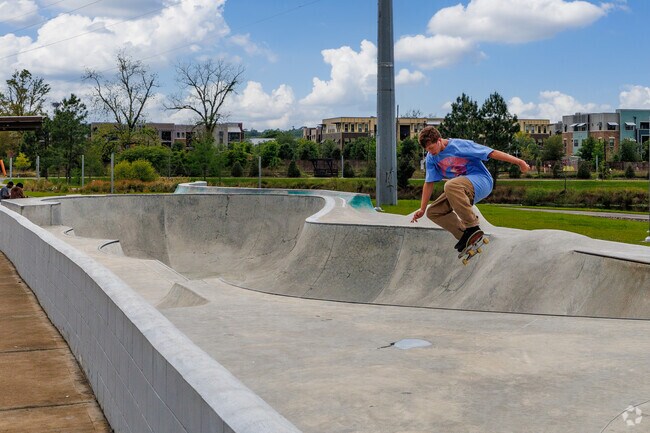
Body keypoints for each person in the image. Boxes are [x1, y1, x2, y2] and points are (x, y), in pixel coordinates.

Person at [411, 126, 530, 252]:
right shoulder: (431, 158)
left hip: (481, 181)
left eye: (431, 148)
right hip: (460, 188)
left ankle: (472, 226)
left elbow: (491, 152)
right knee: (434, 211)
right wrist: (422, 209)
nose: (430, 152)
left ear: (439, 140)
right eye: (427, 150)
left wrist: (519, 162)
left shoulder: (459, 146)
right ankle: (467, 236)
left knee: (450, 185)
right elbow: (429, 183)